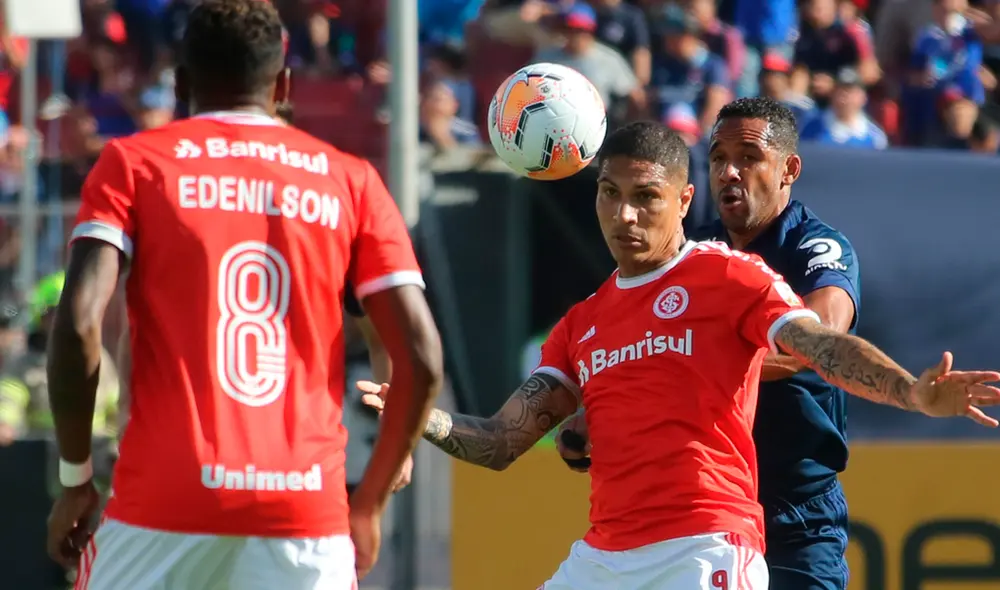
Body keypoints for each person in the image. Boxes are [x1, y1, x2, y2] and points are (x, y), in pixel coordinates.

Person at [362, 121, 1000, 589]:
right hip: (604, 559)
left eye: (646, 198)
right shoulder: (582, 323)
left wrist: (910, 392)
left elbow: (821, 345)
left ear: (684, 204)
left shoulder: (728, 277)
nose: (626, 215)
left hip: (704, 547)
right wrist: (423, 419)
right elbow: (503, 441)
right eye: (610, 194)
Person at [44, 1, 443, 589]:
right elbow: (421, 357)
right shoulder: (351, 180)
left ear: (180, 83)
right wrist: (370, 499)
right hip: (305, 510)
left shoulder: (135, 163)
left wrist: (76, 479)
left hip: (162, 501)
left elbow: (79, 325)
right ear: (283, 83)